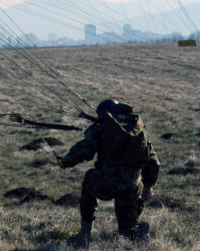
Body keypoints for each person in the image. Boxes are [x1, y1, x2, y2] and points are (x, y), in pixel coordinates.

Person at [59, 99, 160, 245]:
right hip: (131, 186)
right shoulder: (137, 129)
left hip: (106, 183)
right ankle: (135, 235)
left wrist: (64, 162)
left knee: (89, 178)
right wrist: (148, 186)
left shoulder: (101, 128)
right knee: (126, 230)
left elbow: (83, 151)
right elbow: (153, 160)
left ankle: (85, 234)